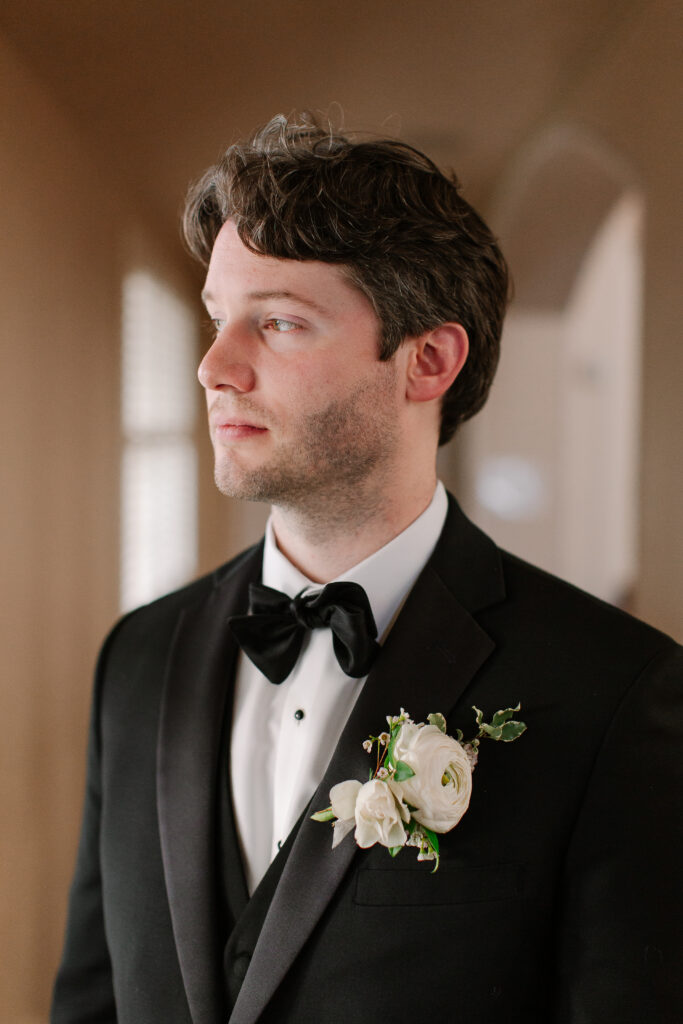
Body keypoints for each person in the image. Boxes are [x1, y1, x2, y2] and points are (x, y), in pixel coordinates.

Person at [51, 114, 682, 1024]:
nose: (214, 368)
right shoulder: (138, 657)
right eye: (219, 320)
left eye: (277, 322)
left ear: (427, 360)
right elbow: (93, 999)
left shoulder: (613, 692)